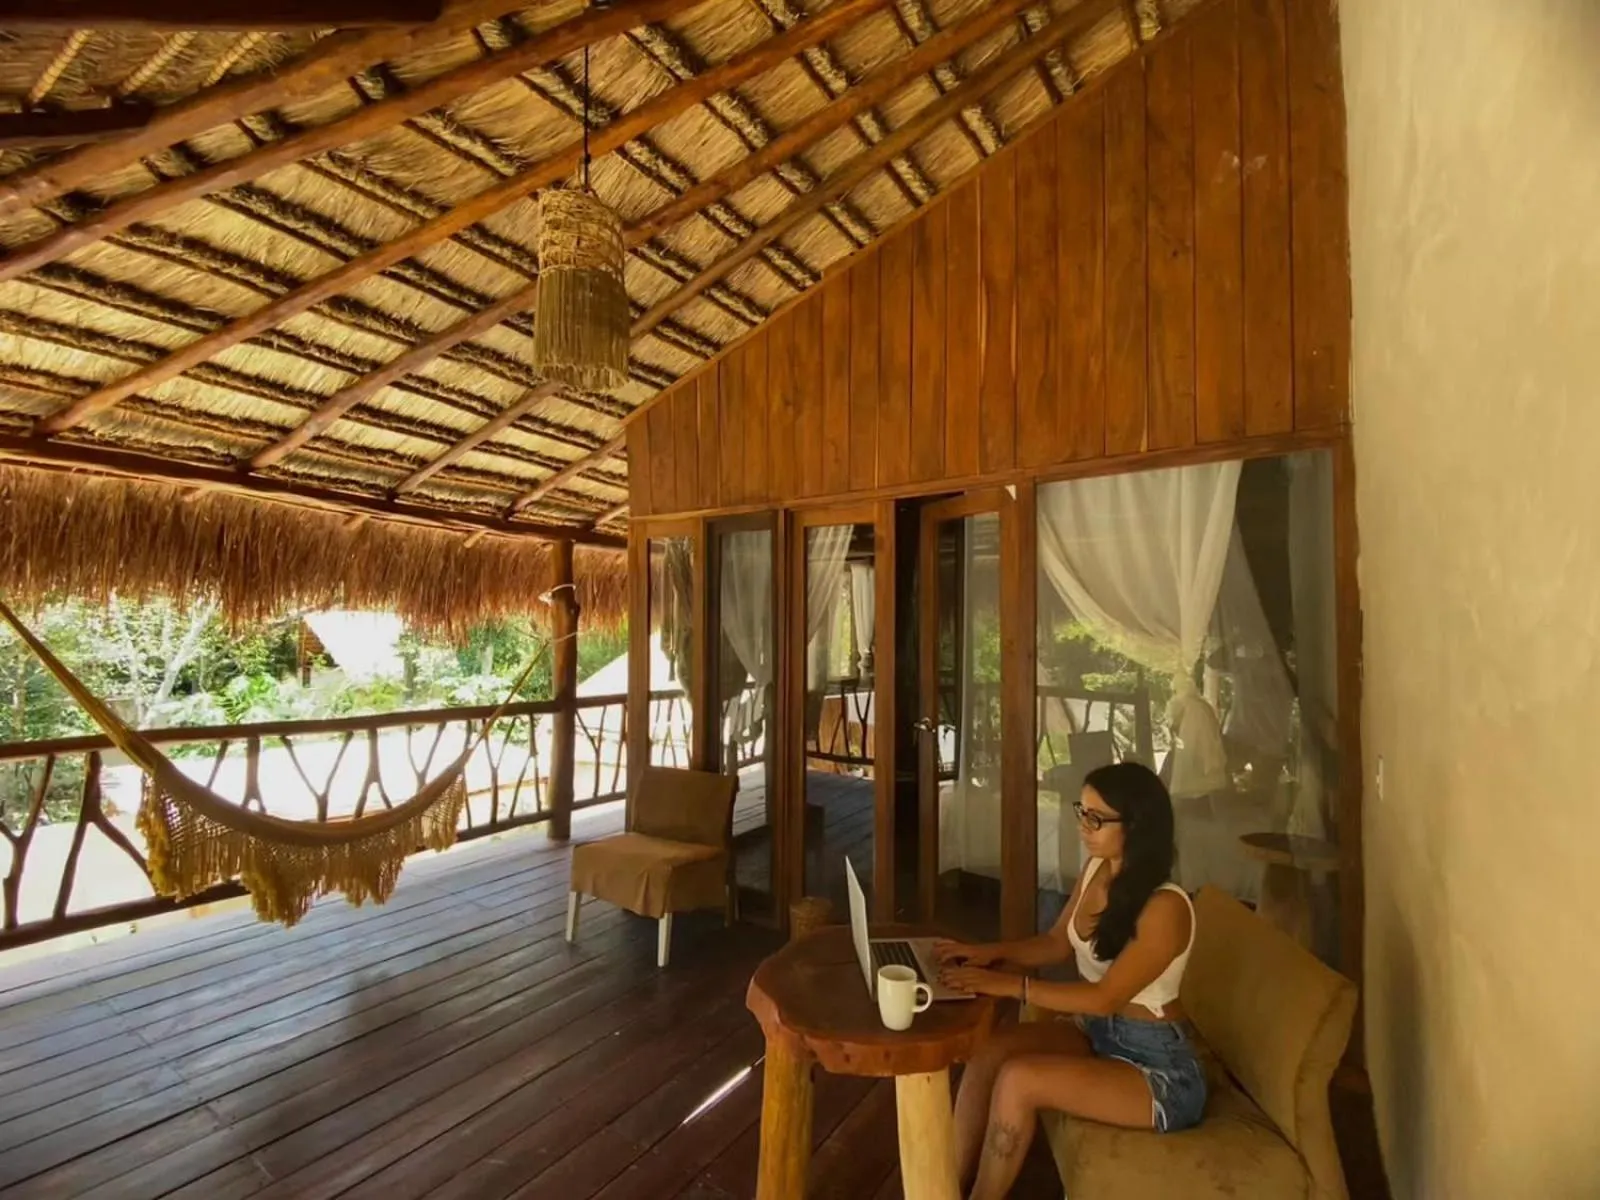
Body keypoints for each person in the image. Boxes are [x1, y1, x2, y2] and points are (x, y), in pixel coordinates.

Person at [935, 761, 1206, 1199]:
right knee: (989, 1053)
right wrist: (992, 954)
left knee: (1020, 1079)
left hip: (1157, 1069)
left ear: (1135, 826)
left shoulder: (1165, 908)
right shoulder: (1099, 869)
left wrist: (1010, 986)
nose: (1083, 826)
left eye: (1096, 818)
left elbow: (1104, 997)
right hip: (1098, 1035)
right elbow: (1057, 943)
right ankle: (939, 1190)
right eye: (1082, 810)